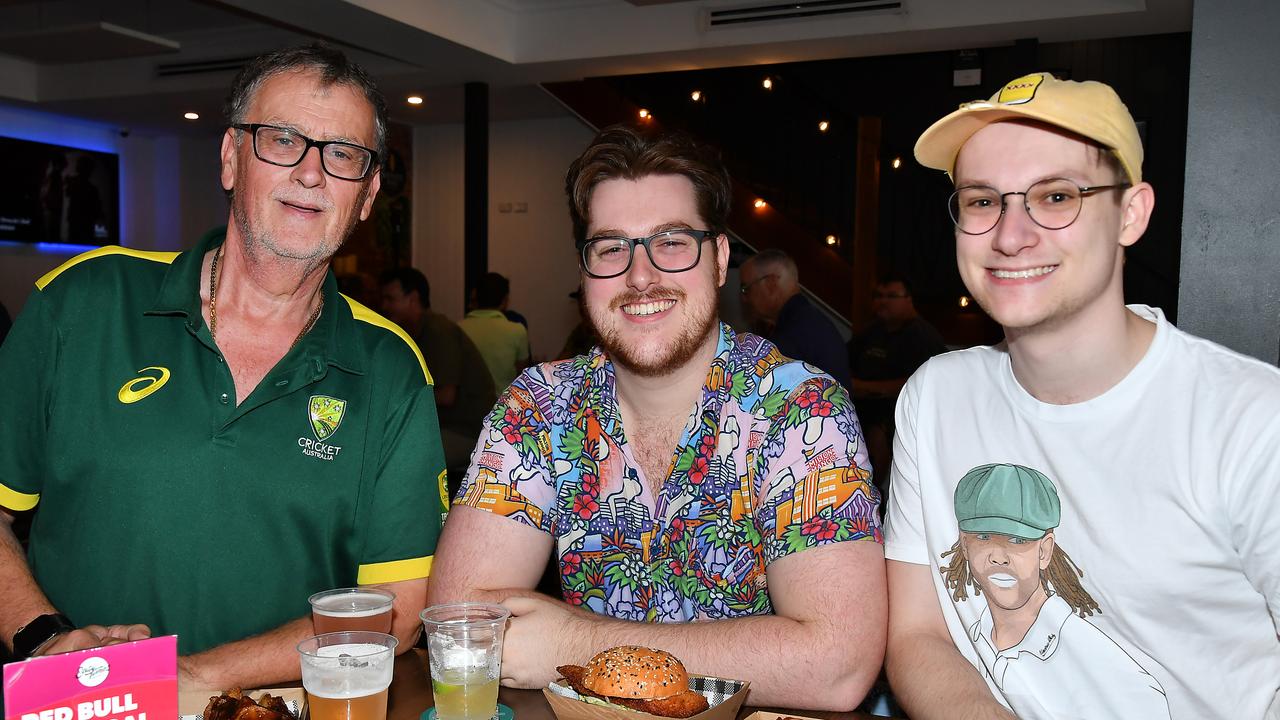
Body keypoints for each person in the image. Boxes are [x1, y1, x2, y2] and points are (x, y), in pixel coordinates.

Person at [0, 43, 446, 689]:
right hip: (76, 698)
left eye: (343, 155)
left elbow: (399, 611)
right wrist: (46, 638)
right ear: (232, 157)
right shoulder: (85, 301)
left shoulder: (389, 366)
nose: (312, 174)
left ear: (368, 194)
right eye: (282, 140)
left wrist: (180, 678)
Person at [429, 125, 886, 709]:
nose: (640, 276)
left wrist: (577, 642)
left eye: (671, 241)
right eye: (611, 247)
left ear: (719, 260)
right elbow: (460, 625)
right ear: (584, 270)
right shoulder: (538, 405)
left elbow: (837, 665)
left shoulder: (800, 410)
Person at [884, 72, 1280, 719]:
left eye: (1057, 195)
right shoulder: (935, 398)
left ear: (1132, 213)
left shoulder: (1252, 420)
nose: (1011, 236)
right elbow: (918, 636)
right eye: (983, 201)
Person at [380, 267, 496, 480]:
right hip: (445, 427)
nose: (384, 306)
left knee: (403, 460)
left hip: (469, 432)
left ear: (413, 299)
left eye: (390, 299)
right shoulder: (412, 334)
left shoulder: (438, 331)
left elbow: (446, 396)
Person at [847, 275, 946, 483]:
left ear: (909, 299)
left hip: (900, 414)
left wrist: (865, 387)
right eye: (879, 296)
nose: (883, 301)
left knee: (878, 432)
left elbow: (918, 384)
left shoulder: (922, 337)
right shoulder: (871, 331)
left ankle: (870, 491)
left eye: (891, 296)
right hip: (860, 408)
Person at [738, 248, 852, 388]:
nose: (744, 298)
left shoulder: (794, 331)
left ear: (771, 284)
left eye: (745, 288)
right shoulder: (808, 320)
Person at [459, 272, 530, 390]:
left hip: (468, 406)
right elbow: (523, 373)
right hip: (504, 405)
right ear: (505, 300)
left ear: (476, 296)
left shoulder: (458, 329)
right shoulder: (517, 331)